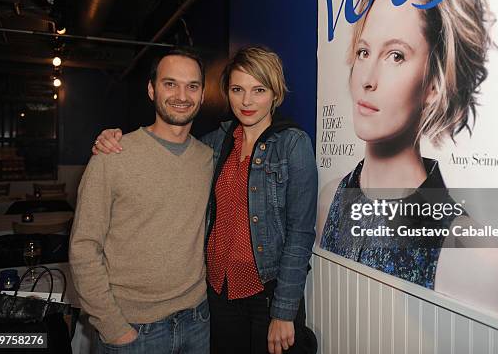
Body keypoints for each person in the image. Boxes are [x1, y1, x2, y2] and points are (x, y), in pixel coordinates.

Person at [317, 0, 498, 315]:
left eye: (396, 55)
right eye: (363, 52)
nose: (368, 80)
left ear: (434, 85)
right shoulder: (330, 201)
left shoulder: (476, 256)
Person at [93, 46, 318, 353]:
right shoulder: (214, 144)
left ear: (275, 94)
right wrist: (113, 138)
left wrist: (284, 310)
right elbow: (169, 148)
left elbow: (301, 233)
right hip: (217, 294)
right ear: (227, 92)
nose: (247, 101)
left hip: (266, 297)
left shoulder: (293, 145)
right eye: (238, 89)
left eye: (259, 89)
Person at [70, 48, 213, 353]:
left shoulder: (208, 158)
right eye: (170, 83)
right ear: (151, 89)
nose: (181, 95)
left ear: (202, 95)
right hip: (133, 330)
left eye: (192, 86)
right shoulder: (113, 157)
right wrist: (112, 326)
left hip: (198, 321)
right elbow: (84, 246)